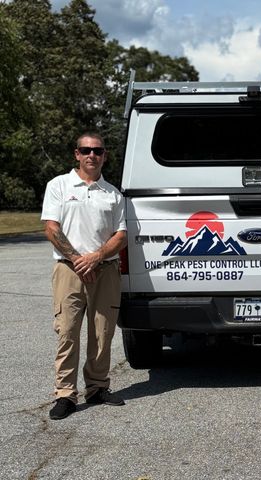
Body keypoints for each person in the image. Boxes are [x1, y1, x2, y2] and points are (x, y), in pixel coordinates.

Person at [41, 132, 127, 419]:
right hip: (69, 269)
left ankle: (98, 387)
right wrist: (79, 260)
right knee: (67, 332)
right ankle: (65, 394)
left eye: (98, 151)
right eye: (85, 150)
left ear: (105, 156)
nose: (92, 155)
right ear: (76, 154)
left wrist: (95, 258)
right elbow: (51, 228)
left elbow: (121, 236)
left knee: (102, 333)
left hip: (105, 270)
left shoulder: (113, 194)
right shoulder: (59, 186)